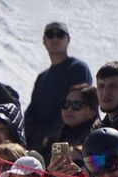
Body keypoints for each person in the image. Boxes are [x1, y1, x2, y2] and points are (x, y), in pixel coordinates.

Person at [24, 21, 92, 158]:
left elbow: (77, 105)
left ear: (68, 39)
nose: (55, 39)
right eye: (50, 35)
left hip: (71, 147)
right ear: (44, 41)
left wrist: (51, 137)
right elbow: (30, 114)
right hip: (41, 149)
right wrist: (38, 140)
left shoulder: (77, 68)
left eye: (60, 35)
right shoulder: (42, 77)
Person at [49, 83, 99, 154]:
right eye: (66, 103)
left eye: (77, 104)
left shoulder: (95, 141)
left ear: (92, 112)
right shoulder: (62, 134)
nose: (69, 109)